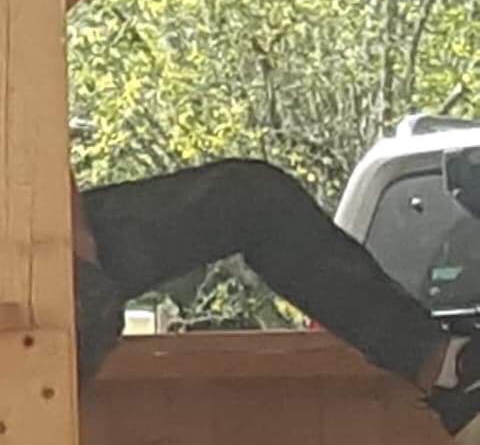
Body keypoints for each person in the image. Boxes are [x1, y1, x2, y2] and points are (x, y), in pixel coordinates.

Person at [74, 162, 480, 429]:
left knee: (254, 200)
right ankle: (443, 369)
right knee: (254, 199)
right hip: (44, 257)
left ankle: (446, 370)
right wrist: (76, 250)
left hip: (53, 242)